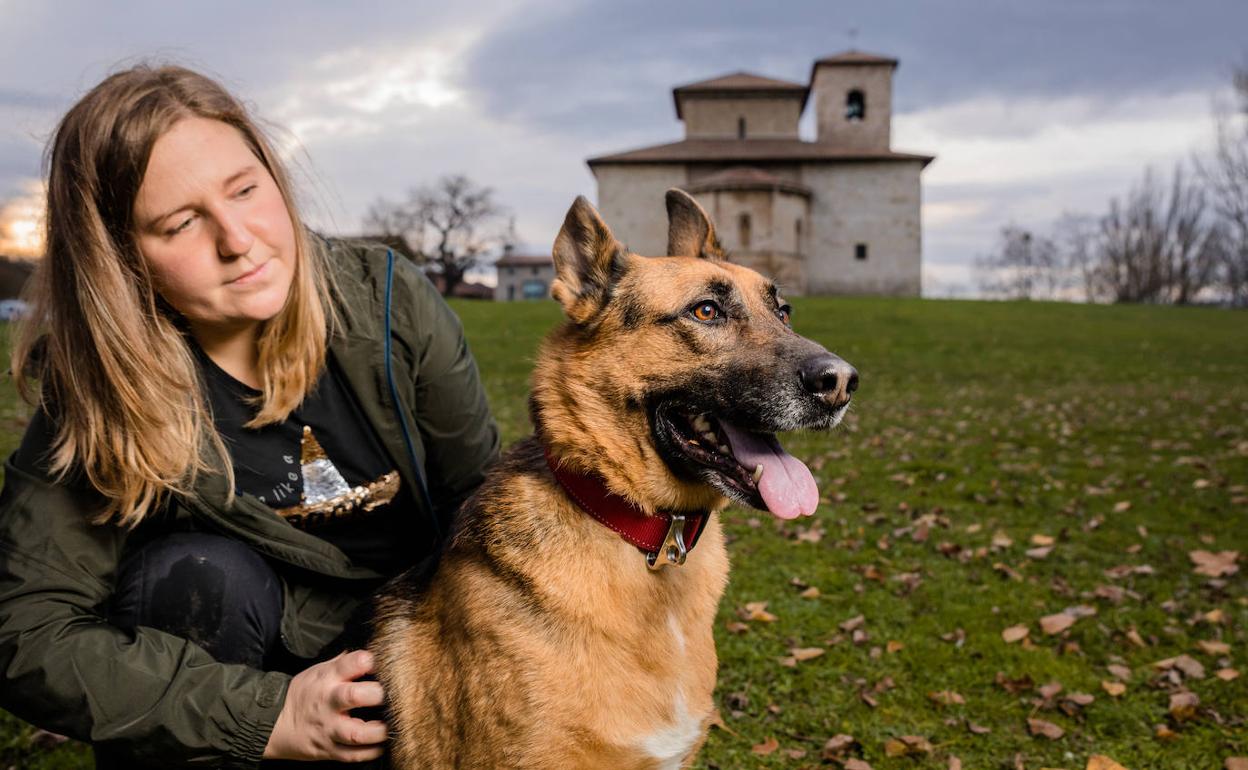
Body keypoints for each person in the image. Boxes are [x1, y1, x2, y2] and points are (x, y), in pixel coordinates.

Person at [0, 63, 500, 768]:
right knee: (198, 573)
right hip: (237, 696)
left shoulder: (388, 303)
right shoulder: (97, 388)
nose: (238, 239)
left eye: (245, 189)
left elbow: (487, 511)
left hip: (407, 656)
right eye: (179, 223)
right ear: (121, 261)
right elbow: (26, 631)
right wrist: (268, 718)